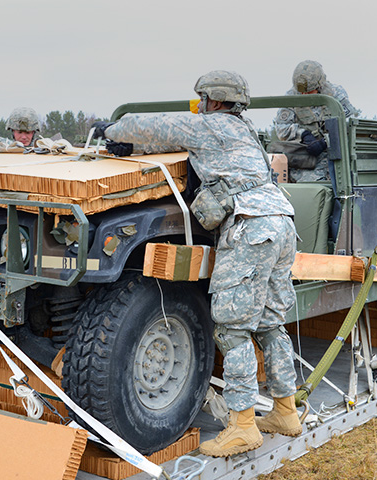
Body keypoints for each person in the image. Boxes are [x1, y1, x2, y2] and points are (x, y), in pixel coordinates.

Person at [92, 70, 301, 458]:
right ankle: (286, 411)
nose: (200, 105)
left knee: (233, 329)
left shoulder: (209, 126)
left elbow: (147, 126)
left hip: (251, 228)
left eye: (203, 98)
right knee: (271, 323)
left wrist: (110, 129)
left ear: (215, 101)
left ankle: (242, 426)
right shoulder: (245, 132)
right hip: (282, 224)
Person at [274, 60, 359, 182]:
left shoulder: (335, 94)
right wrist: (303, 134)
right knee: (306, 186)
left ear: (319, 86)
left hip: (335, 151)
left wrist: (326, 141)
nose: (304, 94)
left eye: (308, 91)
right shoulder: (291, 97)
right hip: (306, 156)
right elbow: (282, 128)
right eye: (301, 92)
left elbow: (349, 124)